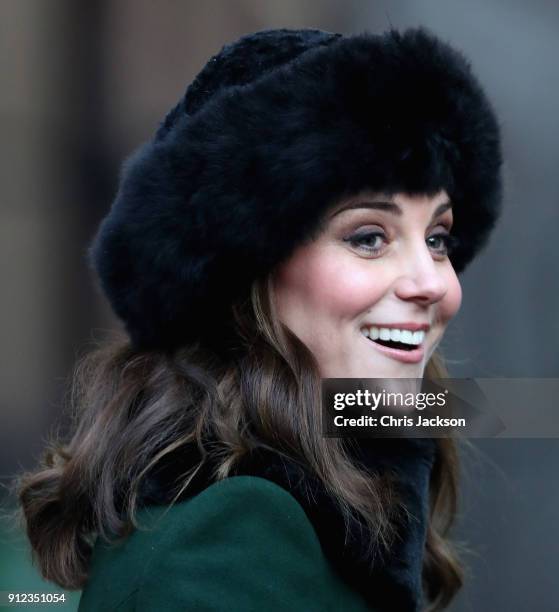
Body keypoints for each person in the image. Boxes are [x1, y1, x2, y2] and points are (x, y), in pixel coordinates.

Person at [17, 27, 502, 611]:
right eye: (369, 237)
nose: (433, 283)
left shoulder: (326, 513)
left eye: (438, 239)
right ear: (244, 270)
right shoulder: (236, 535)